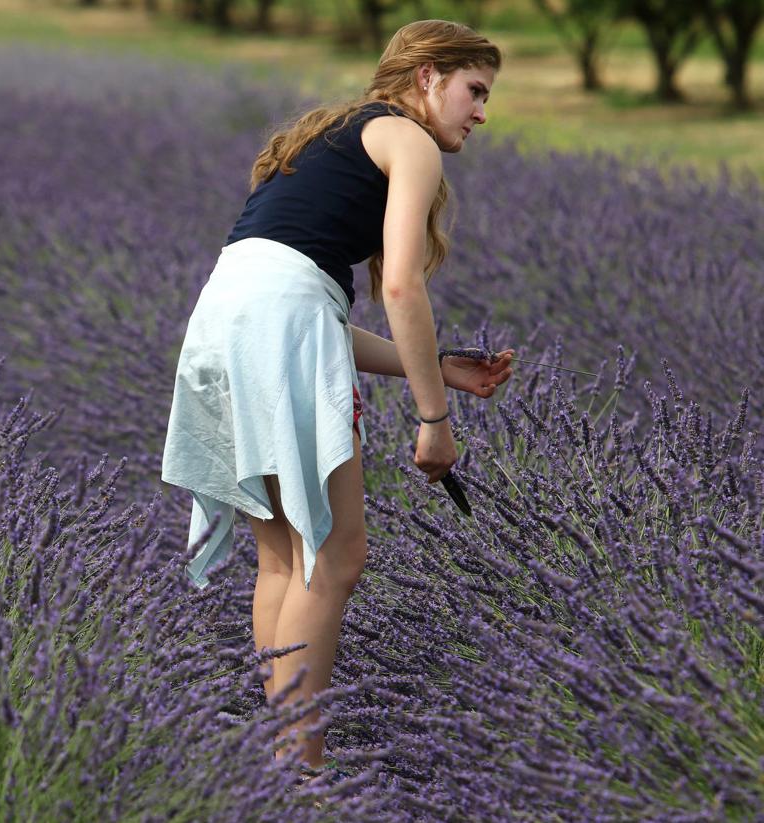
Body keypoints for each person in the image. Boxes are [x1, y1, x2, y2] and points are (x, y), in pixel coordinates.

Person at [160, 19, 517, 775]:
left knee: (286, 561)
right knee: (338, 554)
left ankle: (280, 765)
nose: (481, 112)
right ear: (428, 77)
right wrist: (433, 420)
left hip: (223, 317)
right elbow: (397, 284)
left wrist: (441, 370)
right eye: (474, 90)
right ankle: (305, 774)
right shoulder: (407, 139)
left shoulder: (333, 135)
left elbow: (302, 313)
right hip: (278, 324)